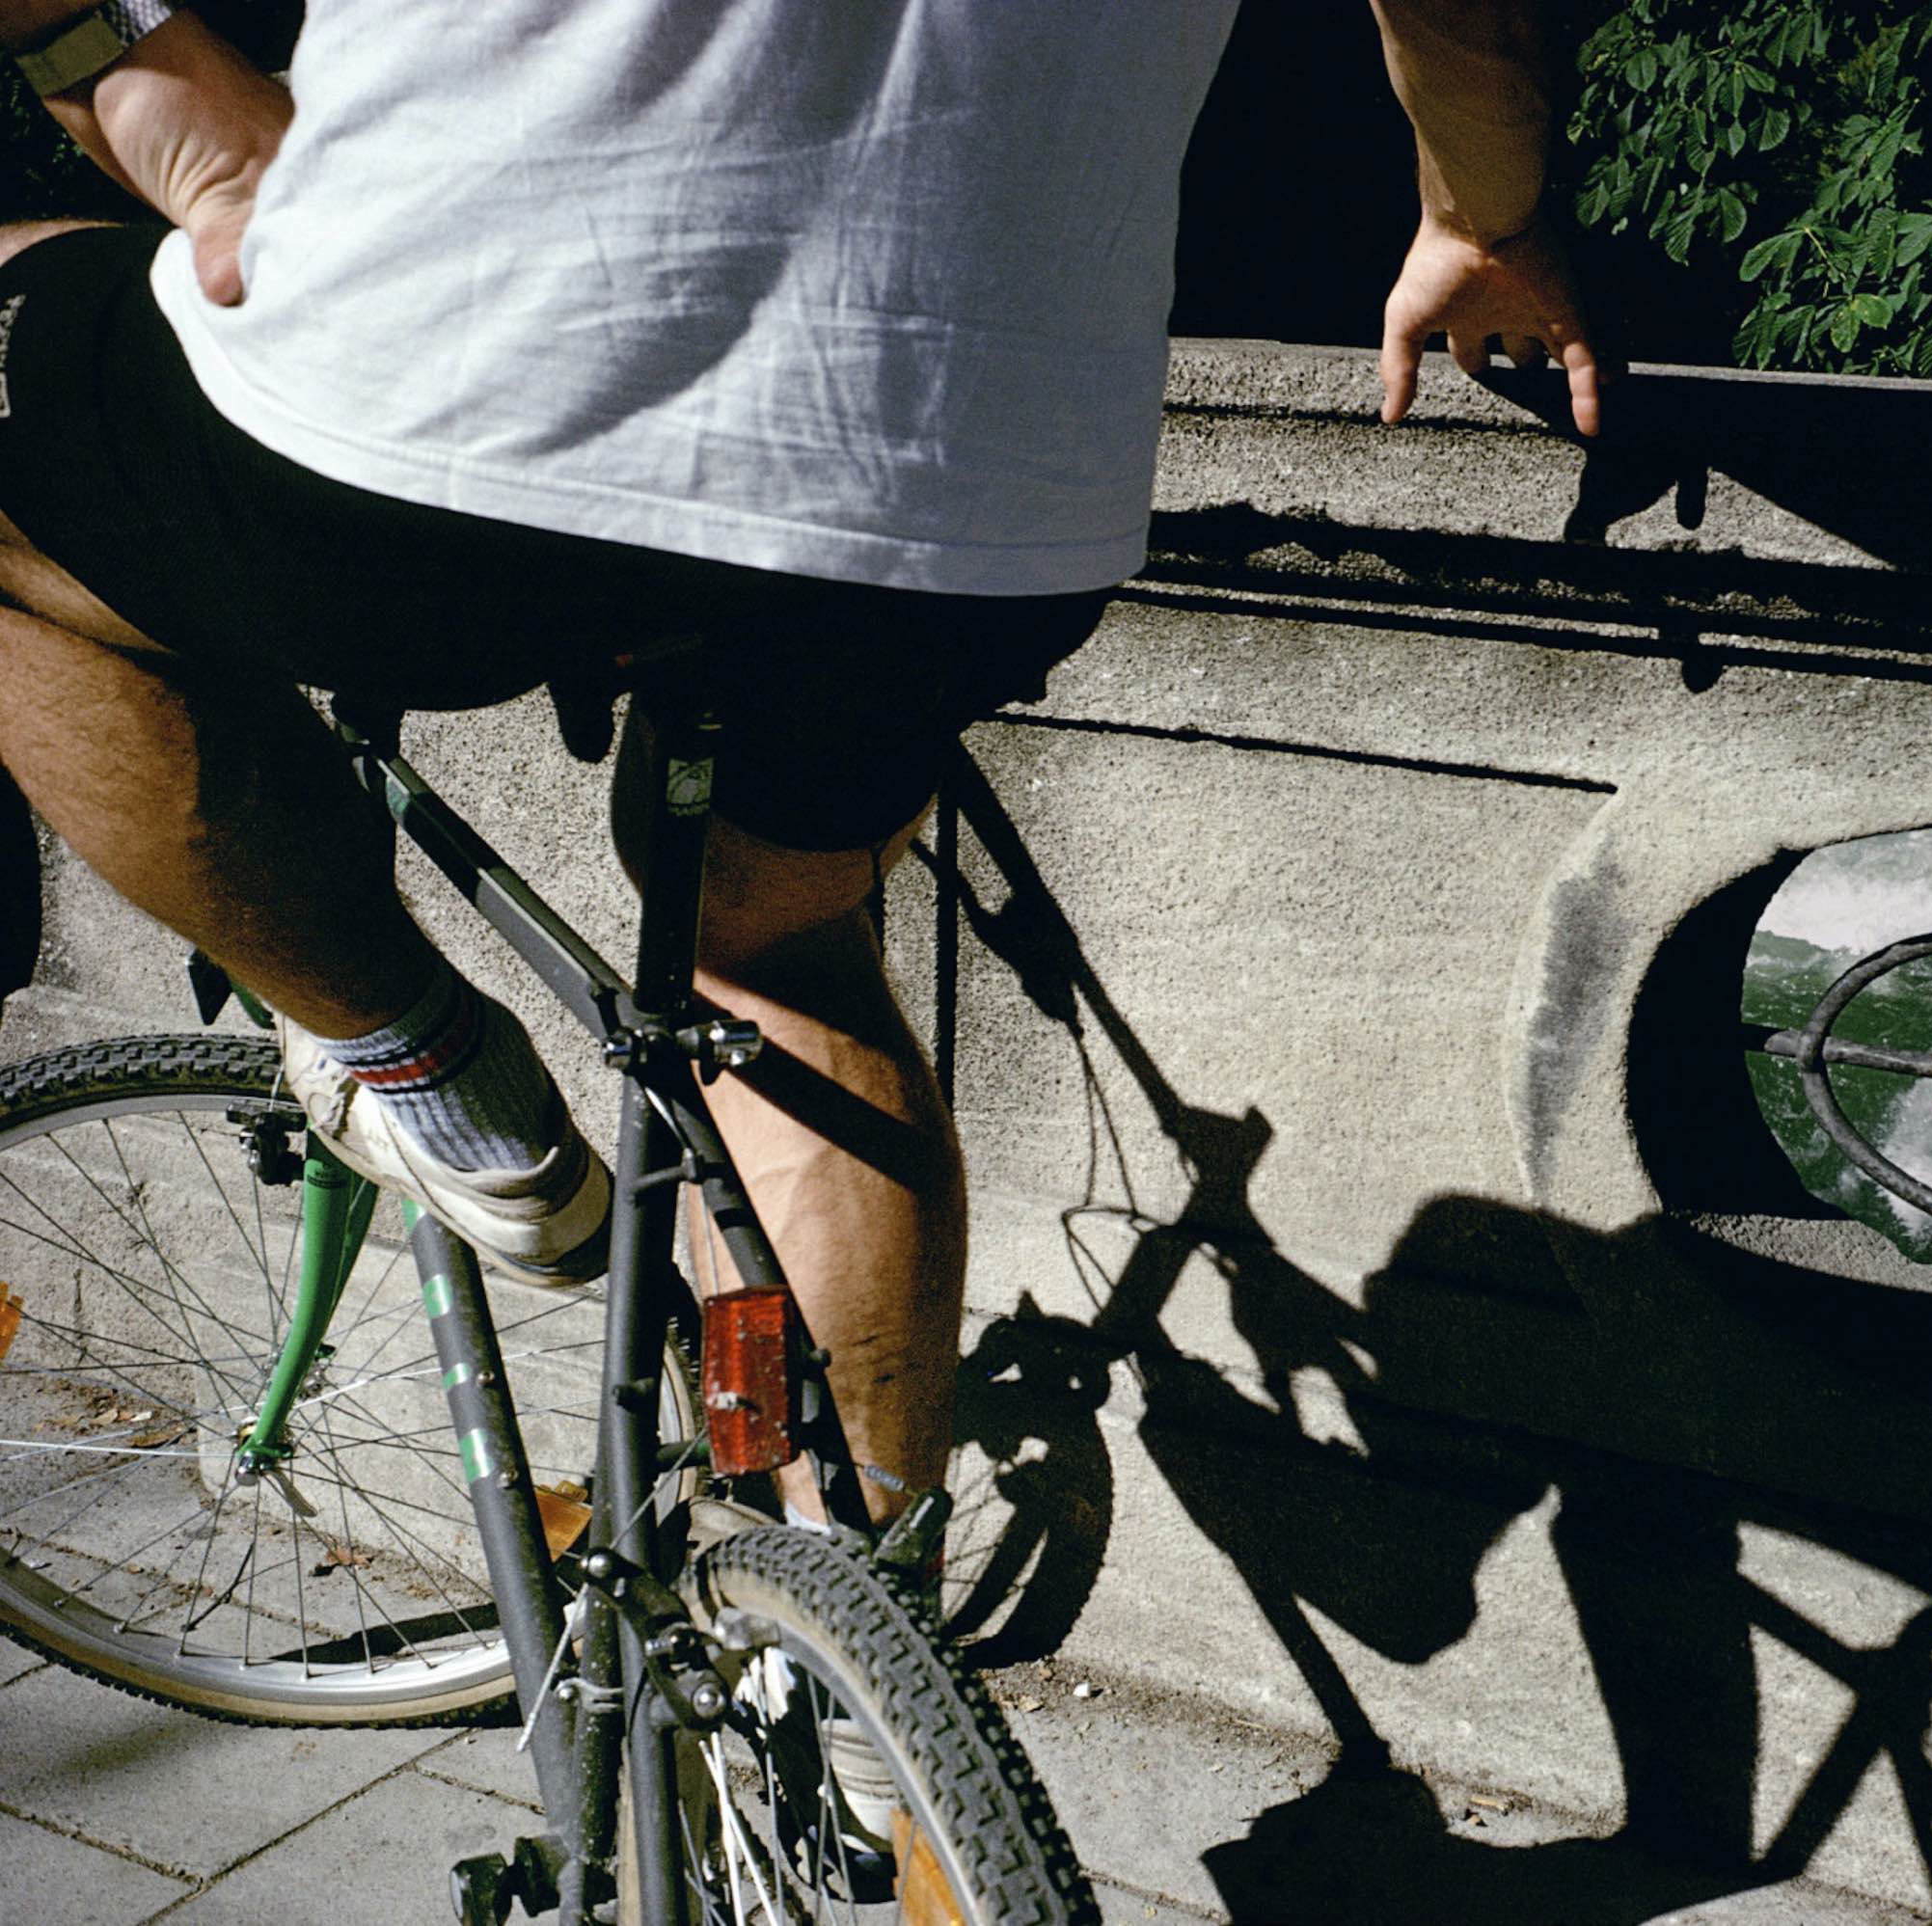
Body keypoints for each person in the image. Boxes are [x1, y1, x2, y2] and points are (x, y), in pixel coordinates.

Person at [0, 0, 1601, 1529]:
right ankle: (833, 1653)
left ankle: (423, 1064)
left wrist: (164, 102)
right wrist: (1481, 217)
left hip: (451, 367)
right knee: (773, 954)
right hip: (971, 460)